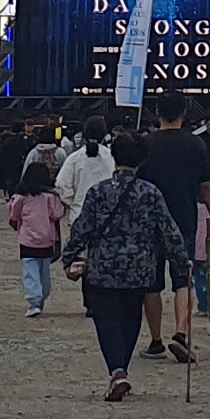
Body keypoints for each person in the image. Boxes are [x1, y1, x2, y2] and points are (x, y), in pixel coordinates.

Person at [61, 152, 188, 403]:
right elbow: (168, 230)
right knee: (131, 317)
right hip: (140, 267)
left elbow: (83, 227)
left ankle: (117, 371)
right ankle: (121, 370)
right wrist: (181, 261)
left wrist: (69, 256)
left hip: (103, 266)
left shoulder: (99, 191)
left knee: (105, 318)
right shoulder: (150, 192)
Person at [133, 98, 210, 363]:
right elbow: (206, 186)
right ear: (184, 113)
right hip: (185, 218)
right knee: (183, 278)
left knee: (152, 283)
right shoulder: (196, 144)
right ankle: (181, 332)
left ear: (157, 113)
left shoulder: (147, 144)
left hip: (151, 222)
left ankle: (156, 340)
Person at [5, 154, 67, 317]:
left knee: (30, 271)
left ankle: (34, 300)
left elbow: (14, 214)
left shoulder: (21, 197)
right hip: (47, 238)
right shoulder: (50, 196)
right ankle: (41, 297)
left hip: (27, 239)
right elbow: (57, 214)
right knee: (44, 271)